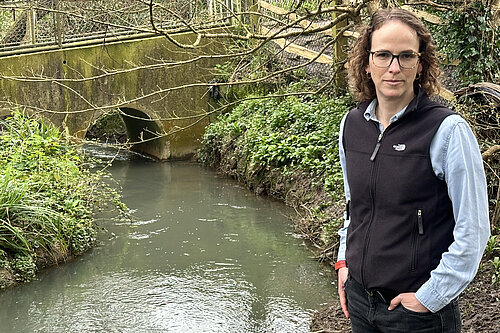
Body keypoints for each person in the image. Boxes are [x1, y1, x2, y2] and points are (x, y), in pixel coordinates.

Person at [335, 7, 490, 333]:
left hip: (417, 314)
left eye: (406, 56)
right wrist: (343, 264)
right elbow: (355, 209)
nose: (394, 68)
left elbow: (473, 232)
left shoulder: (447, 132)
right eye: (383, 55)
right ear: (366, 62)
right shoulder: (351, 125)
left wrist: (429, 298)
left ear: (420, 64)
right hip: (361, 304)